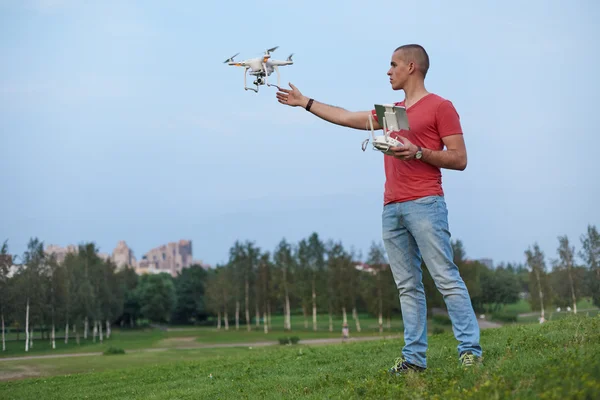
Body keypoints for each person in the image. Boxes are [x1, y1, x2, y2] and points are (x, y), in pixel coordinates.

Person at [275, 44, 482, 374]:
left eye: (393, 65)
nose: (388, 71)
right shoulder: (391, 111)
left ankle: (470, 351)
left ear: (411, 67)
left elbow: (459, 158)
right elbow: (347, 116)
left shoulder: (441, 107)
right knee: (407, 287)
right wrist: (306, 103)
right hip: (392, 208)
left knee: (445, 278)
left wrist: (419, 152)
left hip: (426, 203)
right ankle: (414, 360)